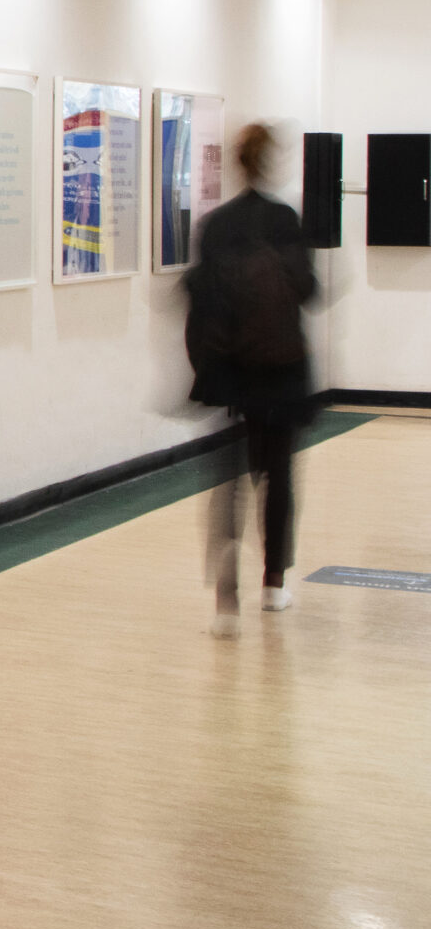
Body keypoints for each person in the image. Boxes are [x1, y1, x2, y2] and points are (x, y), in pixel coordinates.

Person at [182, 122, 316, 636]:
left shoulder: (215, 226)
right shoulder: (284, 221)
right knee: (278, 475)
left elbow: (198, 298)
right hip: (279, 373)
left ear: (236, 163)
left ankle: (225, 602)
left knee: (228, 484)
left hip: (230, 376)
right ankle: (274, 583)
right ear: (269, 160)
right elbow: (307, 290)